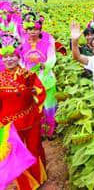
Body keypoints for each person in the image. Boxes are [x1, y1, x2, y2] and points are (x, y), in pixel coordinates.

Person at [0, 39, 48, 189]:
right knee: (15, 154)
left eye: (12, 56)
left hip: (30, 119)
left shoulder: (28, 75)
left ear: (18, 57)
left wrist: (35, 102)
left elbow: (40, 92)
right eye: (5, 57)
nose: (9, 59)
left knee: (34, 148)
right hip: (8, 124)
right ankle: (25, 184)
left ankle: (39, 178)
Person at [19, 20, 58, 138]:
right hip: (31, 81)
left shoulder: (47, 44)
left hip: (47, 79)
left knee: (49, 105)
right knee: (35, 106)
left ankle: (51, 132)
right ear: (26, 31)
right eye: (30, 29)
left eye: (36, 29)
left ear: (40, 30)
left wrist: (44, 66)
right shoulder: (22, 46)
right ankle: (39, 132)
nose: (33, 32)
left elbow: (52, 59)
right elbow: (20, 62)